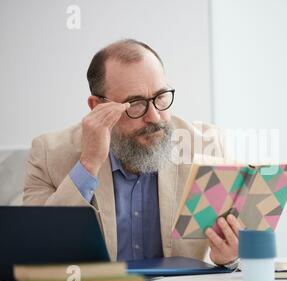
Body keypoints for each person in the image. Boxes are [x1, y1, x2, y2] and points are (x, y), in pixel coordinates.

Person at [23, 39, 240, 268]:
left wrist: (228, 258)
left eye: (161, 97)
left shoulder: (207, 148)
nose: (155, 117)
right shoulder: (49, 154)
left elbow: (236, 254)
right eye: (135, 103)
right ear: (97, 106)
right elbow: (38, 254)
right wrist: (88, 164)